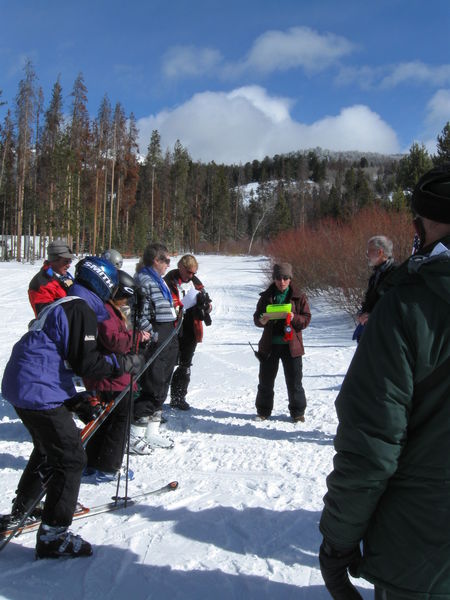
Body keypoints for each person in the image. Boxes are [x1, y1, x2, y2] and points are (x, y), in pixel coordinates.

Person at [319, 164, 450, 600]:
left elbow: (372, 441)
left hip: (422, 558)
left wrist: (337, 543)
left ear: (420, 227)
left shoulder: (411, 305)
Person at [1, 257, 143, 559]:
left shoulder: (68, 303)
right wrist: (123, 363)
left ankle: (25, 507)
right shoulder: (80, 308)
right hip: (35, 386)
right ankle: (54, 536)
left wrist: (74, 400)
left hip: (26, 383)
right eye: (112, 286)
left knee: (47, 448)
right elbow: (86, 363)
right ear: (102, 283)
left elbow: (53, 356)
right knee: (71, 459)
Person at [79, 268, 153, 478]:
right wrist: (136, 337)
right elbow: (114, 341)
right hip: (111, 377)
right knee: (117, 423)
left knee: (103, 422)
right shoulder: (105, 311)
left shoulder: (109, 310)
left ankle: (93, 462)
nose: (126, 303)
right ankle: (109, 466)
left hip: (110, 375)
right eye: (124, 298)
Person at [131, 243, 179, 450]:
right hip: (156, 340)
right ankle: (135, 435)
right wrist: (153, 335)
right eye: (166, 260)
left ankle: (152, 432)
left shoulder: (158, 281)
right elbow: (138, 314)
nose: (169, 264)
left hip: (169, 336)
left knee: (162, 385)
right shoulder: (143, 280)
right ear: (156, 260)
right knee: (151, 385)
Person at [253, 262, 311, 422]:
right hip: (269, 345)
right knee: (265, 380)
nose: (282, 281)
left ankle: (298, 413)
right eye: (278, 278)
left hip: (292, 346)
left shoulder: (299, 296)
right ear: (274, 279)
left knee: (294, 381)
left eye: (285, 278)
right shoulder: (266, 296)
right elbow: (256, 317)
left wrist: (294, 318)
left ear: (290, 279)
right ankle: (263, 411)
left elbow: (306, 319)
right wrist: (262, 320)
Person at [165, 254, 212, 410]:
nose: (191, 275)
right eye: (189, 272)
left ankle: (178, 397)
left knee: (185, 364)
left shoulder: (196, 283)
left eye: (193, 273)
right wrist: (179, 305)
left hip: (191, 327)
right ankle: (157, 399)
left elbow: (208, 302)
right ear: (181, 267)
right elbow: (165, 301)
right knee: (167, 363)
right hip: (171, 326)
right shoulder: (168, 281)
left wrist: (206, 305)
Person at [353, 236, 396, 342]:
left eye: (369, 251)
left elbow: (395, 306)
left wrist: (373, 316)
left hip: (384, 336)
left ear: (380, 252)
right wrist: (361, 314)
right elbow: (369, 301)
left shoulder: (395, 274)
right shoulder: (376, 274)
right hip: (370, 332)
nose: (367, 255)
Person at [28, 239, 75, 316]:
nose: (69, 265)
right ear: (54, 260)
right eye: (66, 262)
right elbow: (46, 315)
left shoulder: (63, 276)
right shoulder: (42, 283)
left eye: (70, 261)